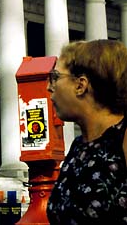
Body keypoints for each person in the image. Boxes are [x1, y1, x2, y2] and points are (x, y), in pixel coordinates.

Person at [46, 39, 127, 224]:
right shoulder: (79, 146)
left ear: (81, 85)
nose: (49, 87)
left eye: (55, 77)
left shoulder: (123, 139)